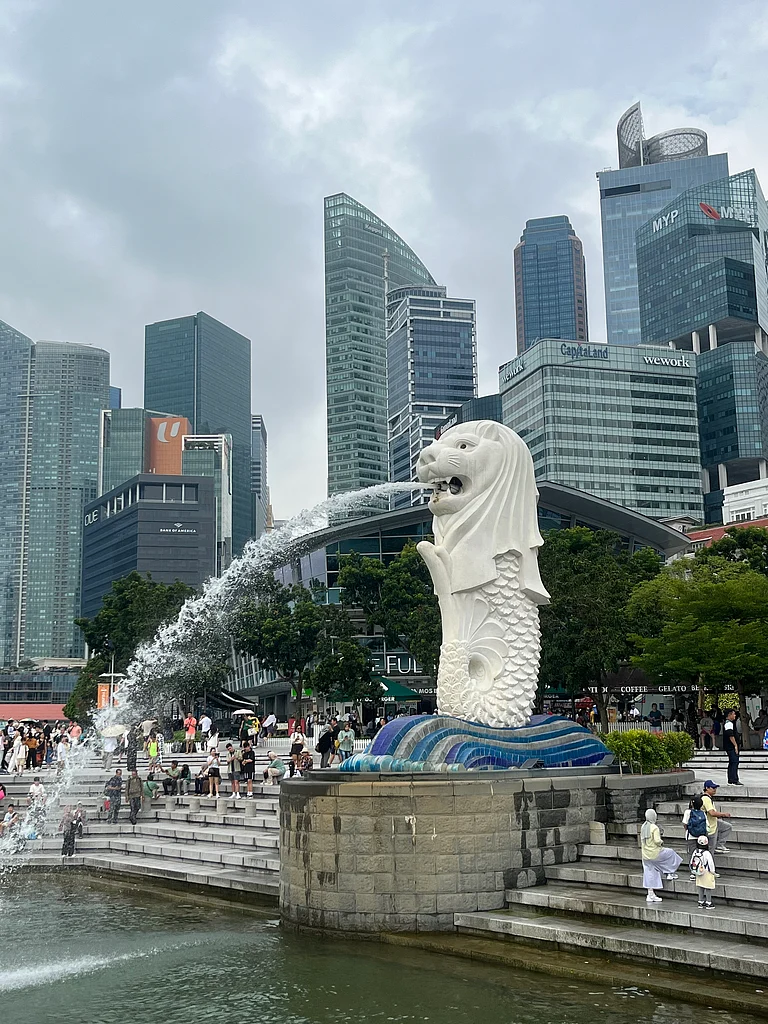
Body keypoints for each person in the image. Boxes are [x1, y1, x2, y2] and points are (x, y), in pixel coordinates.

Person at [640, 808, 682, 903]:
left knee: (650, 872)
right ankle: (670, 873)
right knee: (670, 853)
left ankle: (650, 894)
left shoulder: (643, 826)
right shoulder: (654, 827)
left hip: (646, 855)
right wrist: (661, 842)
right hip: (655, 853)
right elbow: (657, 841)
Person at [702, 780, 733, 853]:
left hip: (713, 822)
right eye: (713, 788)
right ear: (707, 788)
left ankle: (719, 845)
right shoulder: (706, 799)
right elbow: (712, 813)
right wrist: (723, 814)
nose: (715, 790)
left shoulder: (707, 798)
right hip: (710, 826)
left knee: (727, 827)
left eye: (715, 788)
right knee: (710, 851)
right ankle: (716, 848)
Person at [690, 835, 716, 909]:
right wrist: (713, 872)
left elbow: (692, 861)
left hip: (698, 872)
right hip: (707, 872)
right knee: (708, 888)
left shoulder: (695, 851)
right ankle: (708, 902)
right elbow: (710, 863)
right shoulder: (707, 853)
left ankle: (700, 902)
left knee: (700, 887)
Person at [682, 795, 708, 871]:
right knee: (701, 853)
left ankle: (693, 871)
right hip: (701, 837)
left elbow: (685, 824)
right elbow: (707, 825)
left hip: (690, 836)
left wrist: (689, 830)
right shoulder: (703, 813)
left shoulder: (688, 812)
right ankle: (701, 869)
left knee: (692, 854)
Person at [723, 708, 740, 785]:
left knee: (733, 762)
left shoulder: (731, 723)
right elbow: (730, 735)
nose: (735, 715)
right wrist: (735, 745)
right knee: (734, 762)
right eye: (733, 714)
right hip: (730, 746)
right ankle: (733, 779)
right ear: (729, 715)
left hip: (730, 746)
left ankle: (732, 779)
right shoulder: (728, 723)